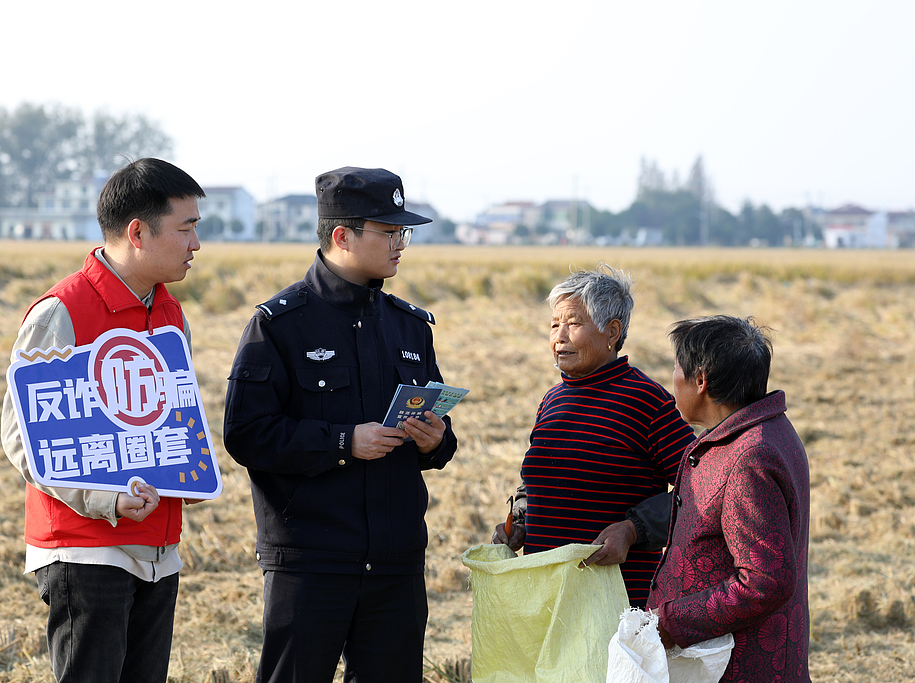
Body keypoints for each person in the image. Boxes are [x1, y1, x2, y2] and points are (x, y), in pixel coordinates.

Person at [223, 166, 458, 683]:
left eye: (405, 232)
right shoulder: (279, 325)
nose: (401, 244)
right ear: (341, 235)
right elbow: (246, 433)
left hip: (396, 561)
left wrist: (435, 441)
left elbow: (439, 434)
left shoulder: (409, 325)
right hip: (311, 560)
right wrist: (343, 442)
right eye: (389, 231)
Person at [0, 158, 206, 683]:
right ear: (138, 232)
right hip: (86, 548)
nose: (196, 245)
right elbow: (22, 438)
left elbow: (173, 422)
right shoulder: (60, 313)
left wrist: (190, 473)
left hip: (160, 549)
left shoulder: (169, 313)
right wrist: (104, 501)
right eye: (186, 228)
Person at [492, 264, 696, 607]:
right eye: (555, 324)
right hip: (548, 594)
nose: (559, 336)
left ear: (612, 332)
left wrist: (632, 530)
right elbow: (537, 480)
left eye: (573, 323)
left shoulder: (647, 401)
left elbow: (702, 485)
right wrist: (520, 521)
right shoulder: (552, 400)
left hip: (614, 601)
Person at [648, 316, 810, 681]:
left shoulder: (748, 457)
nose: (671, 378)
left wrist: (674, 622)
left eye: (676, 367)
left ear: (701, 380)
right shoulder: (759, 432)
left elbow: (766, 580)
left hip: (738, 665)